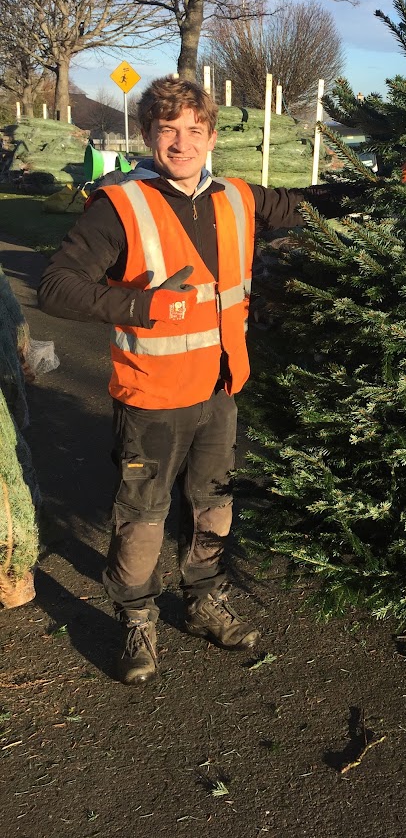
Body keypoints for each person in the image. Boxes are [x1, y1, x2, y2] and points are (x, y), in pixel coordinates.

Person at [38, 76, 361, 685]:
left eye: (193, 131)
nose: (181, 144)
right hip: (153, 395)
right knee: (143, 512)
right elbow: (56, 287)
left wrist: (383, 189)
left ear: (211, 136)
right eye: (168, 131)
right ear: (148, 136)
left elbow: (305, 204)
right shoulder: (121, 207)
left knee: (214, 503)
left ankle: (202, 601)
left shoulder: (237, 197)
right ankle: (137, 619)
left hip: (220, 389)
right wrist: (141, 306)